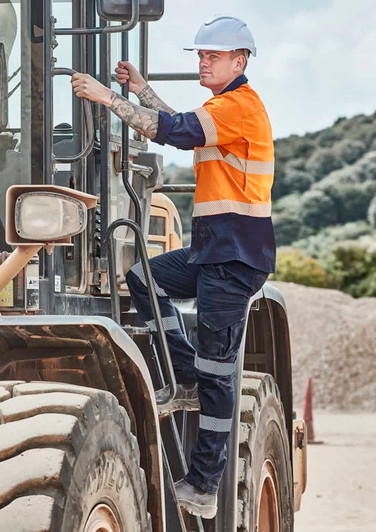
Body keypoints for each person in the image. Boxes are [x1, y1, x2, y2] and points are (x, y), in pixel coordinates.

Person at [71, 15, 275, 520]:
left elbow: (178, 133)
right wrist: (142, 90)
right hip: (213, 251)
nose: (203, 61)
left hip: (234, 258)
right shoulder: (221, 108)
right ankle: (183, 373)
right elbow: (181, 124)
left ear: (239, 60)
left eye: (212, 56)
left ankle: (203, 486)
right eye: (200, 55)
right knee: (143, 276)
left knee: (219, 375)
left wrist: (108, 98)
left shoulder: (238, 108)